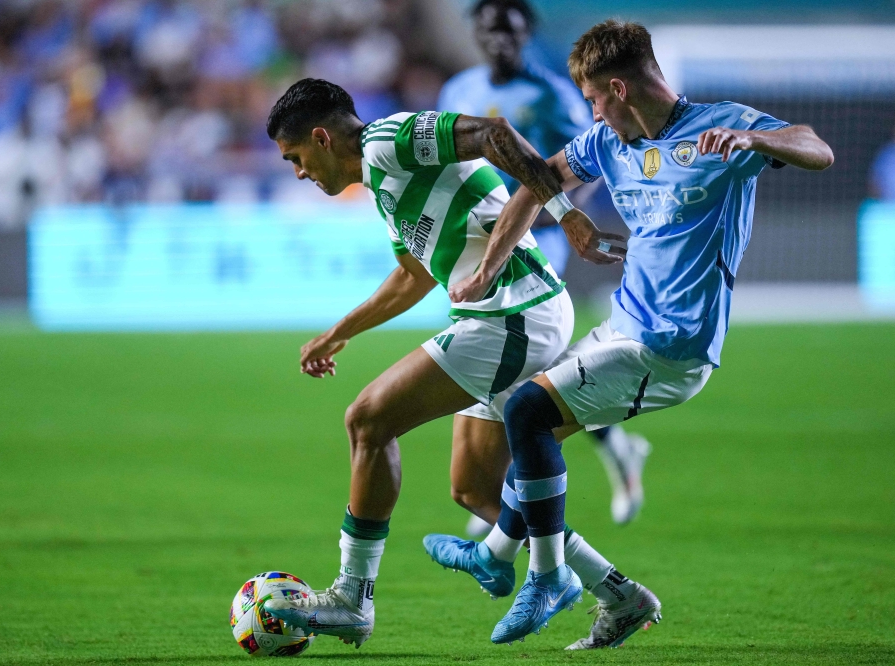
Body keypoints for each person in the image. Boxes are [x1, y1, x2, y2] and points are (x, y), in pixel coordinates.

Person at [433, 20, 834, 647]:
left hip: (672, 349)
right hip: (621, 329)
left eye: (594, 98)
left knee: (531, 412)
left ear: (618, 87)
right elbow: (537, 182)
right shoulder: (607, 142)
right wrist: (488, 269)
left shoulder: (721, 126)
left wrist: (757, 139)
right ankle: (612, 595)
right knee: (508, 431)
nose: (592, 110)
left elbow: (816, 147)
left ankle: (541, 575)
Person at [260, 78, 642, 648]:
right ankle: (619, 593)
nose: (298, 173)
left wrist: (564, 213)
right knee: (475, 488)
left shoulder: (389, 140)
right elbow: (412, 277)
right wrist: (337, 334)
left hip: (514, 313)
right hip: (509, 314)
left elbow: (493, 133)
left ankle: (351, 597)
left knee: (368, 419)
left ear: (321, 137)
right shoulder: (385, 184)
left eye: (296, 158)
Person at [438, 0, 652, 532]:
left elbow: (594, 158)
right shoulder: (457, 91)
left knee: (531, 370)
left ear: (526, 33)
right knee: (530, 373)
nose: (500, 41)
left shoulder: (553, 95)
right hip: (479, 247)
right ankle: (616, 453)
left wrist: (564, 215)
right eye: (490, 30)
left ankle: (502, 494)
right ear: (476, 33)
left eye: (510, 31)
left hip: (535, 244)